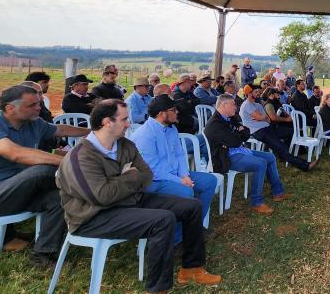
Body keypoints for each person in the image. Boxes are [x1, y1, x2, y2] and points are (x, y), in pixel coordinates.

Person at [57, 99, 221, 290]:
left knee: (192, 206)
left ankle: (191, 269)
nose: (128, 124)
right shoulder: (81, 155)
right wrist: (131, 176)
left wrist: (129, 177)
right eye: (124, 119)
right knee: (164, 219)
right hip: (94, 216)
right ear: (106, 122)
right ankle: (158, 288)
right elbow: (102, 196)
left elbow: (147, 176)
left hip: (129, 201)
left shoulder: (125, 145)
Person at [0, 84, 89, 266]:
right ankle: (95, 194)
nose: (39, 108)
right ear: (10, 108)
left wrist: (94, 133)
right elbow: (15, 153)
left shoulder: (33, 123)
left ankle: (43, 255)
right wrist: (71, 163)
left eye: (39, 103)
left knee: (60, 197)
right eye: (32, 105)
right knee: (41, 171)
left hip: (15, 193)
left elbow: (60, 130)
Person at [130, 96, 218, 234]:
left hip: (175, 174)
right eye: (173, 109)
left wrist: (185, 174)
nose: (177, 112)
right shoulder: (144, 135)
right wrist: (180, 181)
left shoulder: (171, 129)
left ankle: (193, 227)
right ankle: (177, 237)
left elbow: (180, 154)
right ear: (161, 114)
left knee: (210, 181)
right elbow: (152, 170)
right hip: (154, 181)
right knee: (186, 192)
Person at [205, 95, 291, 215]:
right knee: (260, 164)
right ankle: (257, 202)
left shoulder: (229, 118)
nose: (235, 107)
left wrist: (238, 133)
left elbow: (246, 133)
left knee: (270, 157)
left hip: (238, 150)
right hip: (226, 157)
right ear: (224, 105)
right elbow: (236, 141)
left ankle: (278, 192)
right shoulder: (215, 124)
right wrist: (237, 133)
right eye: (233, 104)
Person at [240, 87, 315, 172]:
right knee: (281, 147)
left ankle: (283, 155)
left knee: (290, 132)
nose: (259, 93)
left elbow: (267, 118)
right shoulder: (247, 105)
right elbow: (264, 117)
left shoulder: (257, 104)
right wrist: (262, 117)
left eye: (258, 91)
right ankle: (305, 166)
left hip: (268, 128)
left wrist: (262, 118)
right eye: (256, 92)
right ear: (249, 94)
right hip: (259, 131)